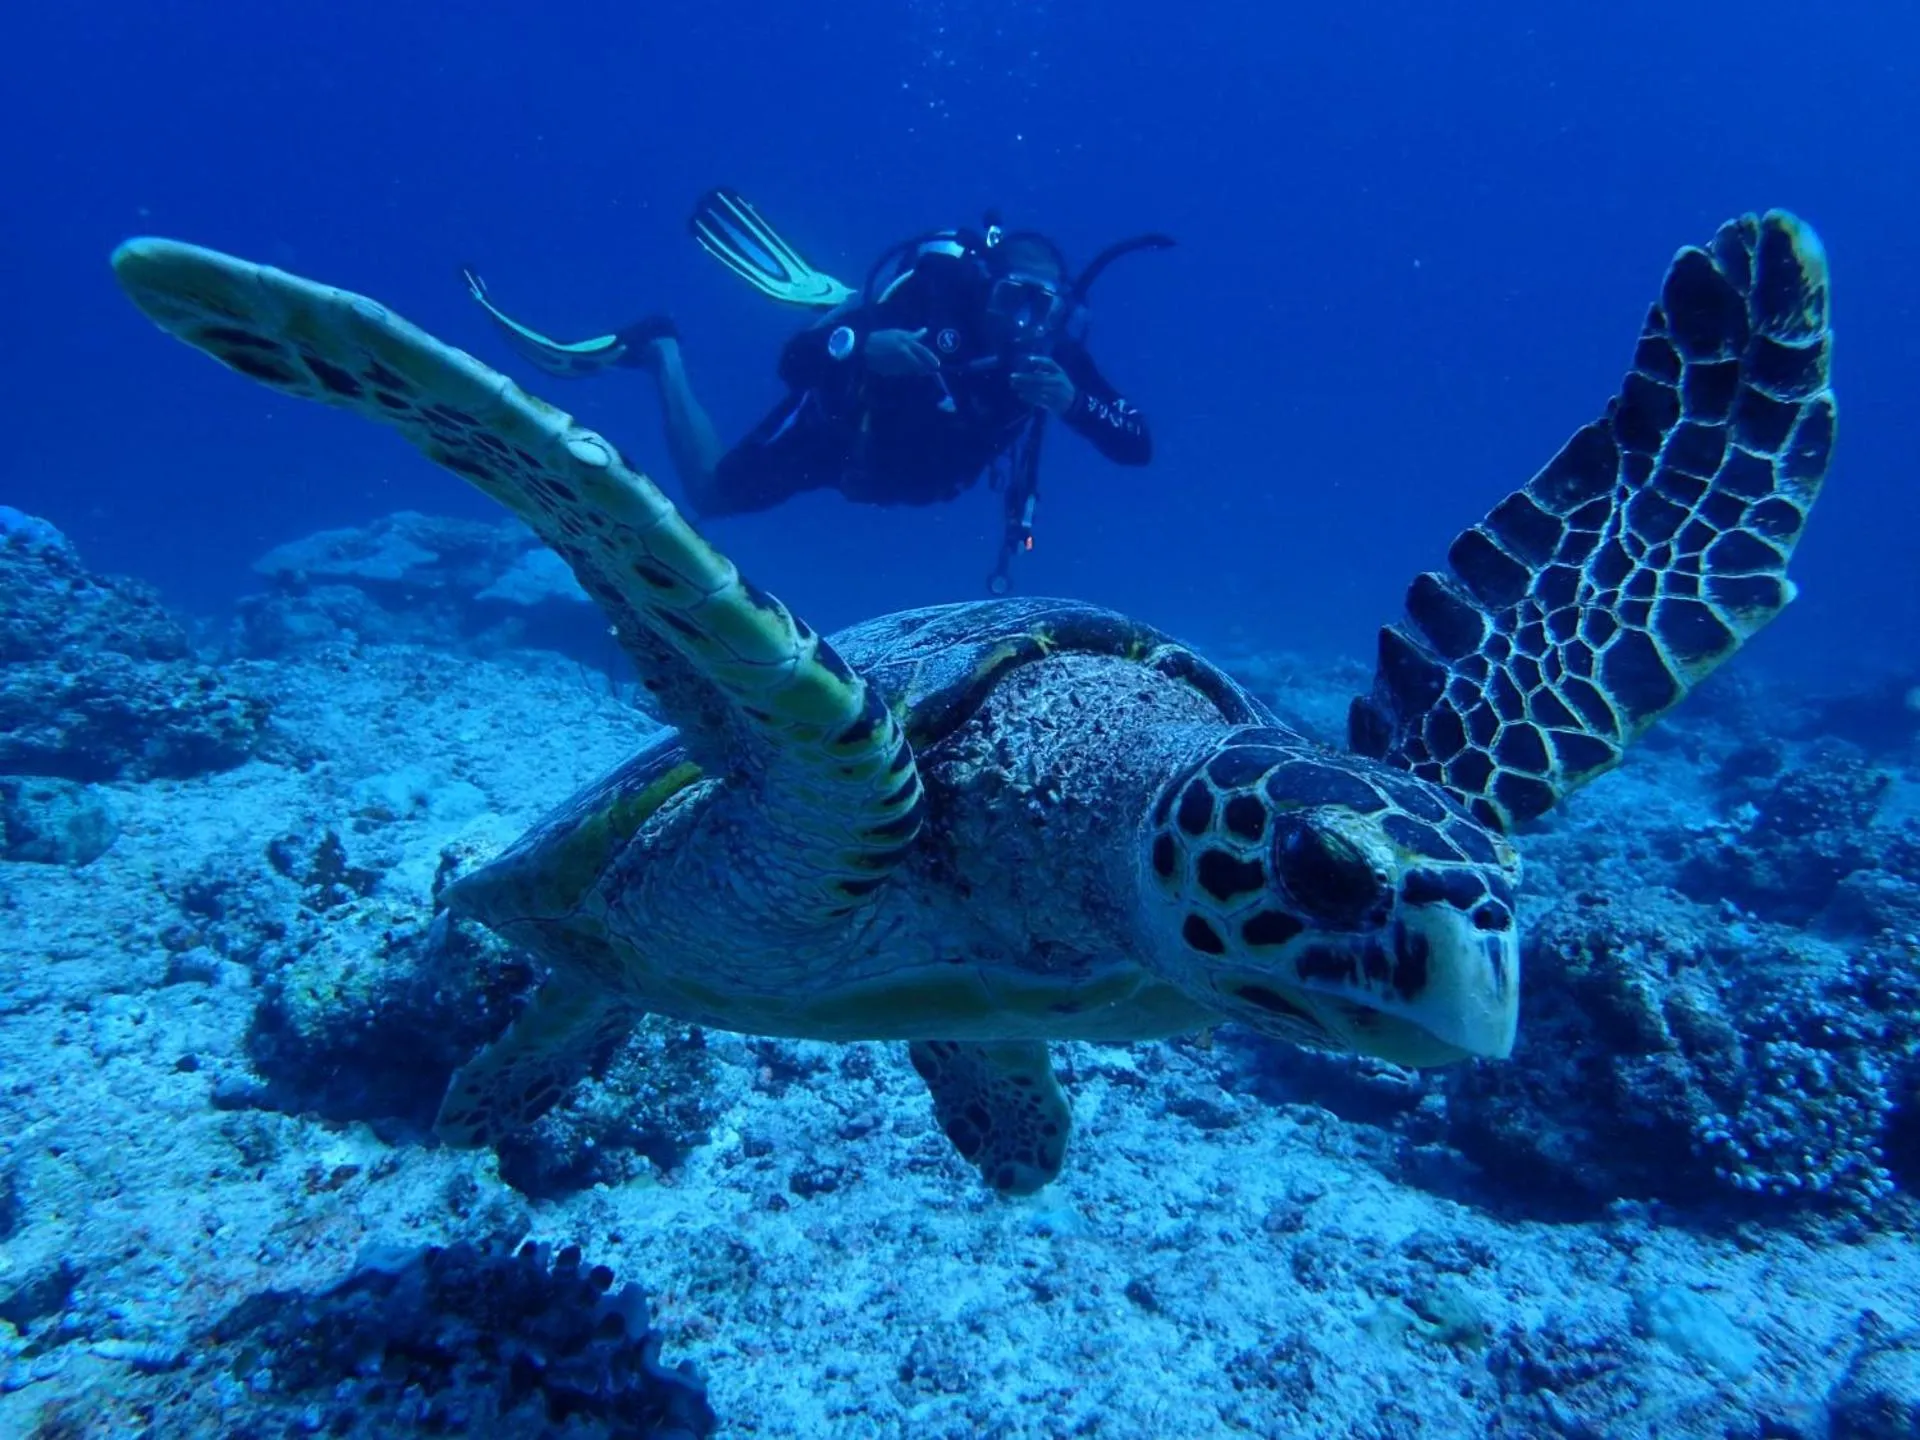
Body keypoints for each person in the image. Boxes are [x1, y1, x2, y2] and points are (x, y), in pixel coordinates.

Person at [462, 190, 1172, 591]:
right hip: (839, 433)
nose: (1024, 318)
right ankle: (661, 350)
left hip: (907, 477)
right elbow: (794, 365)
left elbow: (1135, 442)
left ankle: (837, 311)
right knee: (710, 496)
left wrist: (1072, 403)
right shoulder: (933, 300)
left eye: (1041, 305)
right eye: (1015, 296)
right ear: (988, 286)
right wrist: (867, 351)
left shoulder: (1054, 357)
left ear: (1059, 309)